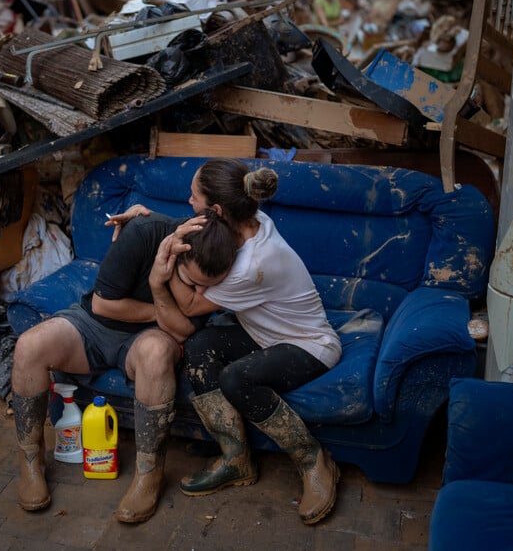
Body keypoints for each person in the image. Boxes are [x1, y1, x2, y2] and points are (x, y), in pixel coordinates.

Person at [108, 158, 342, 525]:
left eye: (193, 196)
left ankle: (313, 459)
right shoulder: (251, 219)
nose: (187, 202)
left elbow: (186, 306)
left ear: (215, 210)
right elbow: (197, 231)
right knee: (200, 347)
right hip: (263, 334)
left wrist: (163, 259)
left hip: (308, 344)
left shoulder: (251, 265)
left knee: (237, 378)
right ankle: (236, 459)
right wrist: (146, 220)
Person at [11, 209, 239, 523]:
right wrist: (163, 310)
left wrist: (161, 289)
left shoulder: (220, 259)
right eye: (192, 282)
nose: (199, 295)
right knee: (29, 346)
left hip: (149, 339)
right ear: (174, 251)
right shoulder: (143, 233)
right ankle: (30, 460)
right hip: (95, 324)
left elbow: (183, 331)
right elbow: (103, 305)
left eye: (208, 288)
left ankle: (149, 474)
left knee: (157, 351)